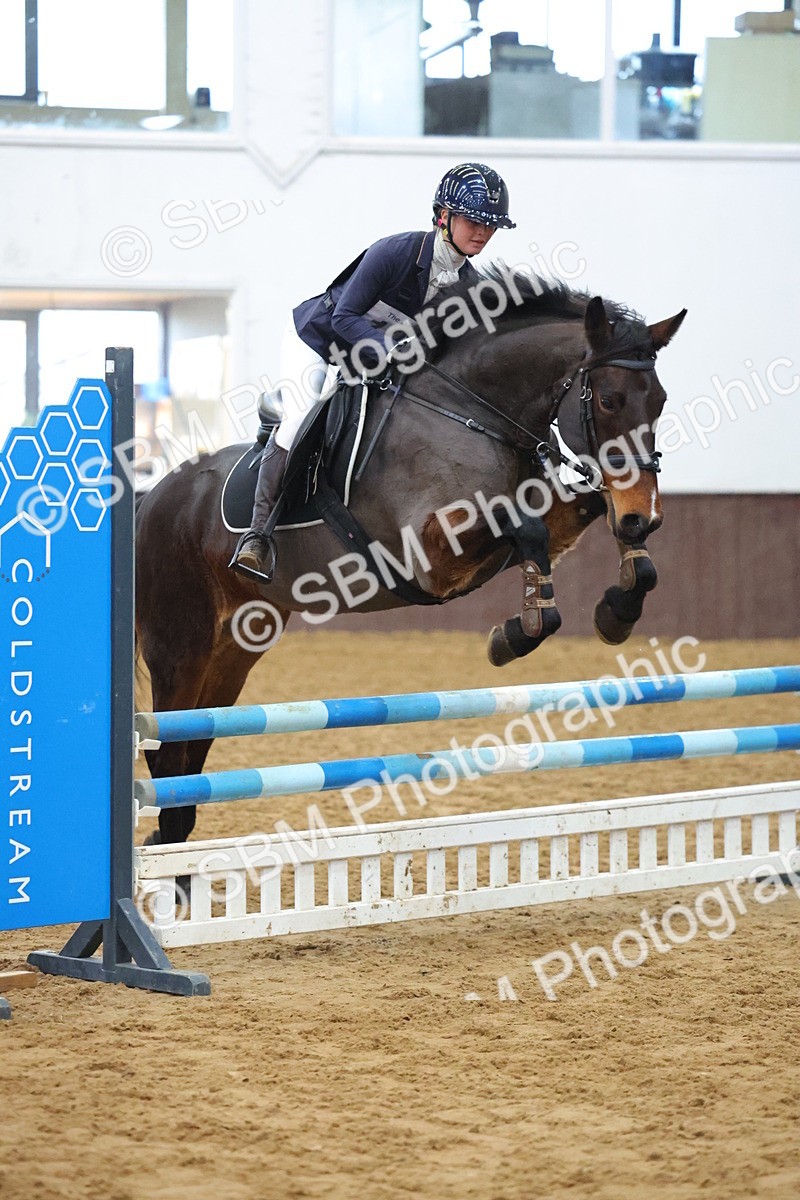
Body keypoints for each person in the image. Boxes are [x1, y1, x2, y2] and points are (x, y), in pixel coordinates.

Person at [231, 162, 516, 583]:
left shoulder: (468, 286)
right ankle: (257, 536)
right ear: (444, 216)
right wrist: (392, 347)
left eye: (491, 225)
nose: (483, 232)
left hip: (373, 362)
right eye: (474, 221)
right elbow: (345, 316)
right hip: (321, 342)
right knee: (299, 419)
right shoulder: (394, 252)